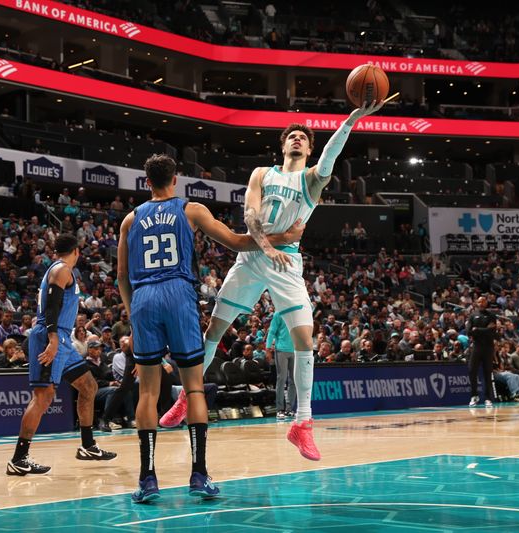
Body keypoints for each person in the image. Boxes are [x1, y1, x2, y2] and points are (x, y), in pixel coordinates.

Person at [159, 101, 383, 461]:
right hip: (251, 258)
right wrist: (266, 244)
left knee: (304, 339)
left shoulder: (312, 180)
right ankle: (188, 395)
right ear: (283, 146)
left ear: (309, 149)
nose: (297, 139)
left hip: (287, 264)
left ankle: (303, 423)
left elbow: (331, 154)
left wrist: (353, 119)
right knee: (214, 331)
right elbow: (249, 215)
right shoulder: (262, 173)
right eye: (291, 136)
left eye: (303, 138)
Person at [117, 154, 304, 503]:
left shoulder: (130, 219)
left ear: (147, 182)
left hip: (143, 299)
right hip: (178, 293)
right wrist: (283, 237)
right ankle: (198, 475)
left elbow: (121, 278)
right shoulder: (191, 211)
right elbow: (236, 241)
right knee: (195, 390)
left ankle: (147, 479)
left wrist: (134, 313)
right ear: (175, 180)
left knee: (147, 394)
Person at [6, 234, 116, 476]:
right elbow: (51, 308)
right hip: (51, 337)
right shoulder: (62, 270)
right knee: (43, 397)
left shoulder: (64, 271)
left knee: (88, 386)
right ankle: (19, 458)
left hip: (63, 340)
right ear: (76, 251)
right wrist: (53, 339)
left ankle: (88, 445)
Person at [467, 297, 497, 407]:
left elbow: (492, 332)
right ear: (476, 303)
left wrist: (477, 330)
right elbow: (468, 332)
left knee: (487, 373)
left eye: (484, 301)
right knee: (471, 370)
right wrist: (485, 329)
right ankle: (474, 396)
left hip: (488, 348)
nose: (481, 303)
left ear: (487, 302)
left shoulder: (491, 316)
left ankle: (488, 398)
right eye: (479, 301)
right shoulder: (473, 315)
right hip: (476, 347)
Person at [266, 310, 296, 419]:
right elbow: (272, 331)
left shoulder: (296, 311)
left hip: (295, 350)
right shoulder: (278, 313)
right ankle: (279, 409)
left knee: (293, 380)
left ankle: (290, 409)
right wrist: (268, 348)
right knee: (281, 379)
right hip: (281, 350)